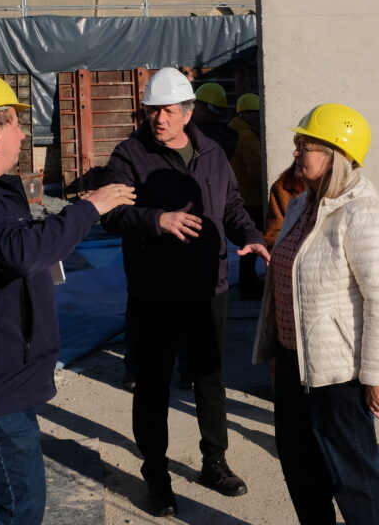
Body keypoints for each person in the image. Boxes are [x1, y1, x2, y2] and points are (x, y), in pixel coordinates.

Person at [0, 72, 134, 524]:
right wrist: (88, 209)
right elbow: (22, 252)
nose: (21, 135)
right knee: (17, 511)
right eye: (15, 124)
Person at [102, 67, 269, 517]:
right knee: (153, 386)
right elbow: (111, 214)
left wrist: (250, 234)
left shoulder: (212, 151)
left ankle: (214, 461)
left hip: (208, 285)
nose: (159, 118)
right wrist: (157, 220)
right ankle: (156, 472)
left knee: (211, 380)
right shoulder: (129, 155)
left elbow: (231, 204)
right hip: (155, 292)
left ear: (187, 111)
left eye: (168, 110)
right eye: (153, 110)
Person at [252, 103, 379, 525]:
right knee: (299, 465)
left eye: (307, 145)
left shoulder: (363, 214)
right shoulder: (302, 206)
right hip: (292, 362)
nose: (297, 151)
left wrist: (376, 375)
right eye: (299, 143)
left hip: (339, 373)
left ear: (336, 155)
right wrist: (273, 347)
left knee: (353, 476)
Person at [231, 93, 264, 299]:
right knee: (252, 244)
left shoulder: (233, 131)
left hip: (241, 196)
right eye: (250, 114)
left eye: (256, 113)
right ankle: (249, 287)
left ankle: (248, 284)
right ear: (242, 114)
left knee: (247, 245)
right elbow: (256, 170)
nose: (254, 117)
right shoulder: (247, 136)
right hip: (252, 198)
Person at [192, 81, 237, 159]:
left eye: (196, 106)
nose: (193, 110)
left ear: (204, 109)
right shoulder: (229, 135)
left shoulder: (200, 138)